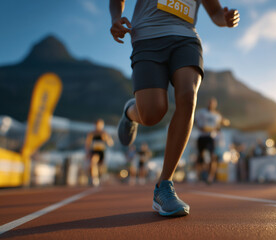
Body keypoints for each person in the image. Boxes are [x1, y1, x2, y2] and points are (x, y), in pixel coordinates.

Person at [110, 0, 239, 217]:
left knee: (188, 97)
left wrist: (224, 20)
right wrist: (115, 17)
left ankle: (165, 185)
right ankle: (131, 111)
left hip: (186, 38)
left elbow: (215, 11)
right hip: (147, 36)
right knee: (152, 114)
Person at [195, 97, 229, 184]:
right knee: (200, 157)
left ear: (215, 105)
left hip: (211, 138)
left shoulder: (217, 115)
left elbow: (223, 122)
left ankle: (210, 178)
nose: (211, 104)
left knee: (212, 157)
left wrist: (224, 123)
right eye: (210, 103)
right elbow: (195, 121)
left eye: (213, 103)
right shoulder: (201, 112)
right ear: (208, 103)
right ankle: (198, 176)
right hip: (202, 137)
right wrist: (200, 128)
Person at [85, 119, 114, 186]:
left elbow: (111, 143)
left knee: (101, 167)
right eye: (97, 125)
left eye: (100, 125)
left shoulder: (104, 133)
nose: (98, 126)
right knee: (93, 163)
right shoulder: (92, 133)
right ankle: (94, 179)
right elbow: (87, 143)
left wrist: (106, 139)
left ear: (102, 125)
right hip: (94, 151)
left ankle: (100, 176)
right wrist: (87, 152)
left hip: (102, 151)